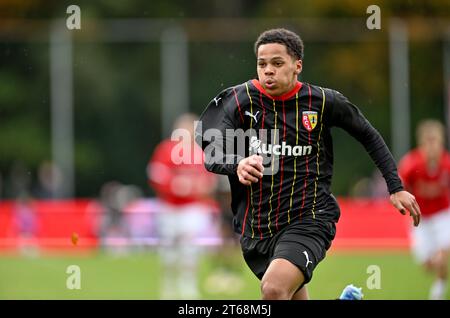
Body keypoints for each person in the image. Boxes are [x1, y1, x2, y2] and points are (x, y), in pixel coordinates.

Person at [195, 28, 421, 300]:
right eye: (262, 64)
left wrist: (395, 187)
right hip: (257, 227)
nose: (268, 71)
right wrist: (237, 163)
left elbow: (368, 135)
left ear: (297, 66)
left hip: (309, 219)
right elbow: (211, 148)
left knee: (274, 289)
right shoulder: (237, 100)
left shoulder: (323, 102)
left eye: (277, 63)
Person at [147, 113, 218, 299]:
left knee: (190, 250)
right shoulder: (166, 150)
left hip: (193, 207)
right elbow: (156, 176)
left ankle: (188, 286)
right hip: (169, 207)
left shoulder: (201, 152)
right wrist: (175, 186)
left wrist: (193, 187)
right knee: (169, 252)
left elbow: (209, 181)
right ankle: (168, 286)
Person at [398, 119, 450, 300]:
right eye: (428, 141)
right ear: (421, 143)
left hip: (443, 214)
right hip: (420, 218)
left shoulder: (447, 163)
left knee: (443, 255)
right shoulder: (411, 164)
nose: (432, 146)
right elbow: (399, 187)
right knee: (427, 264)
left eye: (435, 140)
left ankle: (439, 290)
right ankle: (438, 268)